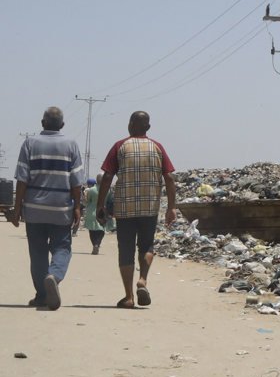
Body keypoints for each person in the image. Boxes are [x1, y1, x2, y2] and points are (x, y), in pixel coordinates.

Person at [96, 111, 177, 309]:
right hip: (149, 208)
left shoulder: (120, 146)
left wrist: (101, 205)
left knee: (126, 250)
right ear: (147, 128)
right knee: (147, 246)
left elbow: (107, 177)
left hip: (125, 209)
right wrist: (172, 207)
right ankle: (142, 279)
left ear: (130, 124)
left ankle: (129, 296)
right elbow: (169, 178)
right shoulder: (157, 147)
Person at [10, 107, 86, 310]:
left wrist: (17, 209)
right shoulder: (71, 145)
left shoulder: (30, 143)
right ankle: (55, 275)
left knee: (37, 253)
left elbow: (22, 179)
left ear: (42, 123)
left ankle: (42, 295)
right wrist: (77, 207)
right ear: (62, 125)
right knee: (62, 248)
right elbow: (76, 181)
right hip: (61, 209)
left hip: (34, 209)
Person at [82, 176, 108, 254]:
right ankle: (97, 244)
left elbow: (87, 201)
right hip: (102, 211)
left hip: (91, 211)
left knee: (92, 230)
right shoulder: (107, 190)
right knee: (102, 229)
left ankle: (94, 244)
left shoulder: (91, 190)